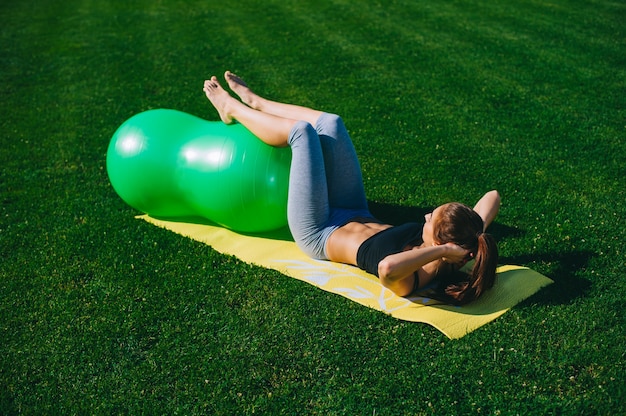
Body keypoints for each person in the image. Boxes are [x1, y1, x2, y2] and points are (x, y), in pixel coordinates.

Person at [203, 71, 501, 305]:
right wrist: (472, 237)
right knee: (332, 123)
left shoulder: (420, 273)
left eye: (430, 221)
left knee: (301, 133)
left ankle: (231, 108)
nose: (424, 216)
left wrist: (443, 251)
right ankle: (257, 102)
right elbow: (492, 197)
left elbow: (386, 269)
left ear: (440, 243)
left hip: (319, 231)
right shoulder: (457, 248)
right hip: (355, 208)